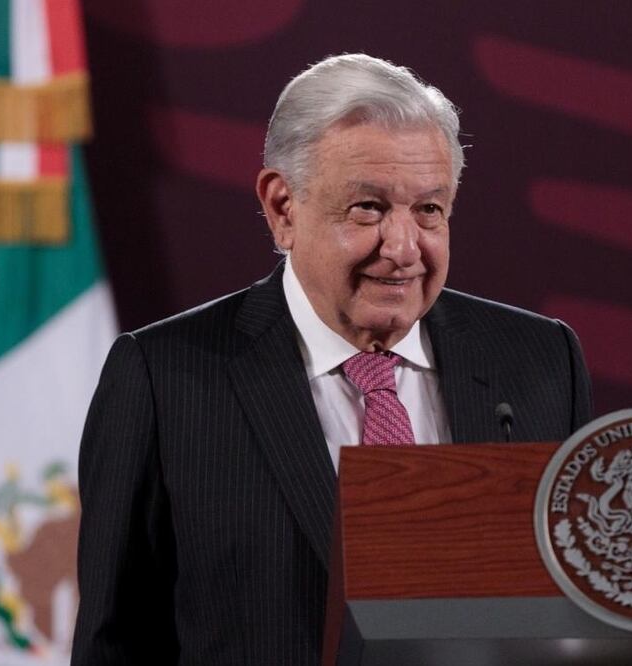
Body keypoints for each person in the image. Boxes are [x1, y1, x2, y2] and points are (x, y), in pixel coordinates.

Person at [72, 53, 592, 665]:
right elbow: (115, 645)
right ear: (282, 207)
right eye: (368, 208)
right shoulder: (163, 379)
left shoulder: (539, 362)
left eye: (429, 209)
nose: (403, 249)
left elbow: (584, 610)